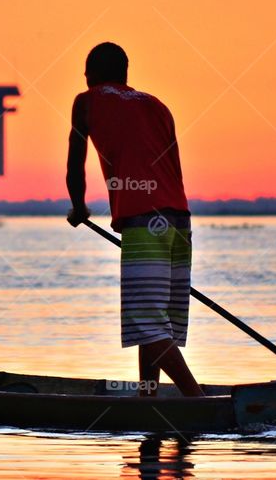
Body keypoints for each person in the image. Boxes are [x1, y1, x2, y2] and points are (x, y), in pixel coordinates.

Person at [65, 42, 205, 398]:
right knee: (156, 321)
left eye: (86, 72)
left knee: (147, 321)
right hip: (178, 221)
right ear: (125, 73)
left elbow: (74, 163)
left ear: (91, 74)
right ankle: (148, 398)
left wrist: (78, 208)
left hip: (144, 221)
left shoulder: (87, 101)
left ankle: (199, 402)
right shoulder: (156, 105)